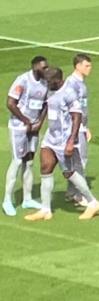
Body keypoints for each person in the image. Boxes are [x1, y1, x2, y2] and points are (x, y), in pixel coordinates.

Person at [25, 67, 99, 221]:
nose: (46, 84)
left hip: (64, 139)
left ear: (57, 80)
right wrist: (39, 122)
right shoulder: (51, 89)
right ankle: (46, 209)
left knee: (69, 172)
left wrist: (71, 141)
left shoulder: (69, 93)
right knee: (45, 168)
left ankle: (92, 203)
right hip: (50, 137)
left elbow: (76, 117)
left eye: (48, 81)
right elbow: (47, 104)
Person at [3, 56, 47, 216]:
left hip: (33, 129)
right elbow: (10, 103)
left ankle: (27, 198)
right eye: (44, 67)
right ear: (35, 67)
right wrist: (26, 121)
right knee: (16, 161)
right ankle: (7, 200)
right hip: (18, 128)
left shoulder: (45, 83)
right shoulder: (22, 81)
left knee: (29, 162)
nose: (46, 70)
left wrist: (39, 122)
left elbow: (45, 104)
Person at [62, 54, 92, 208]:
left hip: (80, 127)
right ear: (78, 65)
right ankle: (79, 195)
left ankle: (70, 192)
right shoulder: (72, 84)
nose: (89, 68)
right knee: (80, 161)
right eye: (86, 66)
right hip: (75, 128)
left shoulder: (80, 83)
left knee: (76, 160)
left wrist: (85, 127)